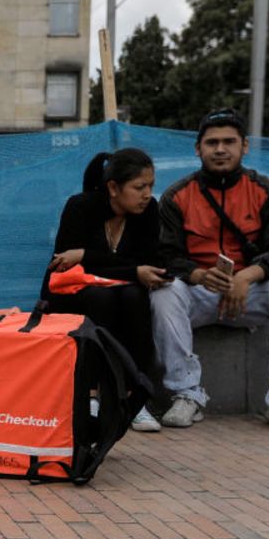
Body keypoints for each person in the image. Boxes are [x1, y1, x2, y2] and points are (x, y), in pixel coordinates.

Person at [151, 108, 269, 434]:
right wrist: (199, 275)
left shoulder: (267, 191)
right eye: (212, 142)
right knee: (164, 290)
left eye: (229, 141)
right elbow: (166, 254)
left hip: (252, 293)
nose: (220, 149)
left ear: (244, 146)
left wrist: (246, 276)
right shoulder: (176, 196)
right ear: (197, 149)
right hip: (200, 293)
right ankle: (186, 394)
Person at [45, 148, 168, 432]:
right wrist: (125, 268)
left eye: (150, 186)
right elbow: (65, 267)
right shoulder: (80, 207)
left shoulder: (148, 212)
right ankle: (89, 395)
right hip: (71, 294)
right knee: (102, 298)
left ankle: (132, 399)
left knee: (133, 295)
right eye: (139, 187)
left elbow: (150, 262)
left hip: (122, 292)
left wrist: (86, 256)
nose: (147, 194)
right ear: (113, 187)